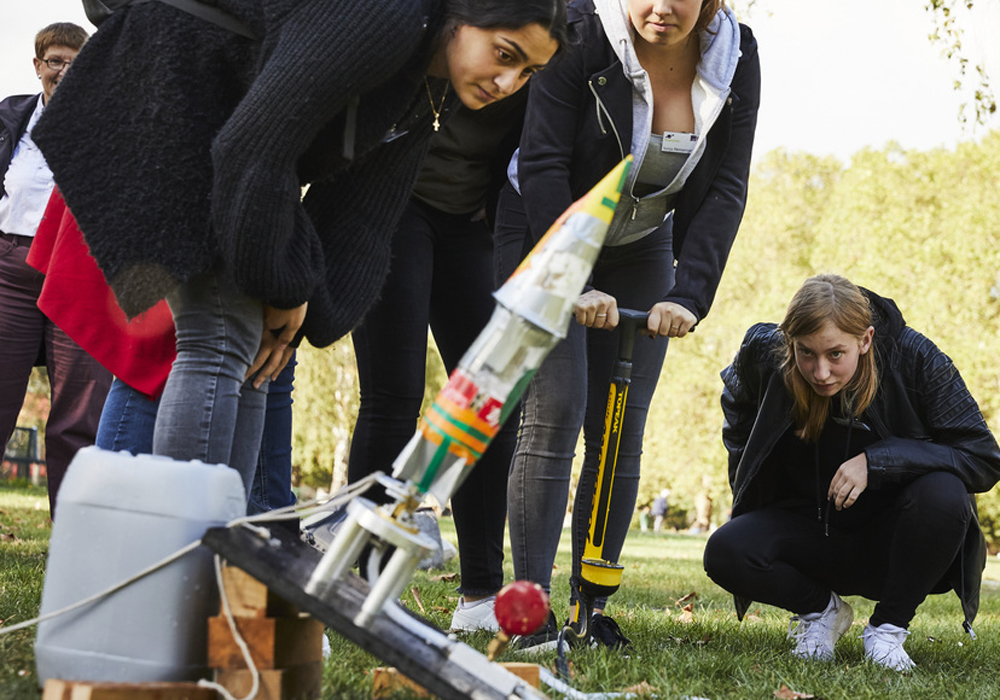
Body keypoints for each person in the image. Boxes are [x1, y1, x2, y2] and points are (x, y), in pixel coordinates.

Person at [32, 0, 565, 495]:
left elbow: (364, 213)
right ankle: (182, 557)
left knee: (260, 356)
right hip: (164, 90)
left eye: (528, 73)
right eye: (504, 54)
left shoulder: (431, 81)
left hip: (222, 129)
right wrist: (283, 283)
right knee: (220, 338)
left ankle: (219, 558)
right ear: (465, 11)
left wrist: (302, 312)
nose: (508, 82)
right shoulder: (390, 16)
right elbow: (255, 144)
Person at [495, 0, 760, 650]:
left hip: (641, 234)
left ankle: (592, 606)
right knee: (556, 406)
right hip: (545, 224)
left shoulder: (737, 55)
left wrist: (689, 292)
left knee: (621, 421)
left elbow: (727, 183)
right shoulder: (581, 33)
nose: (661, 6)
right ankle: (530, 615)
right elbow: (546, 159)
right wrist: (569, 279)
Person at [703, 274, 1000, 671]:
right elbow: (736, 404)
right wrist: (745, 479)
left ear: (865, 340)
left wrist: (878, 461)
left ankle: (887, 629)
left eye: (835, 355)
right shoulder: (764, 351)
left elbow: (982, 458)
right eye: (806, 353)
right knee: (725, 552)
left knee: (945, 492)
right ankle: (822, 612)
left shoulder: (914, 357)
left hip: (893, 541)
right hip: (808, 531)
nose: (820, 372)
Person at [347, 95, 528, 633]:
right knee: (394, 397)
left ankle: (479, 596)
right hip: (391, 201)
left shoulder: (559, 31)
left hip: (471, 218)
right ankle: (367, 587)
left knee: (488, 401)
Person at [0, 23, 112, 520]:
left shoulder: (106, 123)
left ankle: (74, 533)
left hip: (79, 276)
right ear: (38, 65)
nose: (63, 71)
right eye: (55, 61)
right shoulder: (9, 117)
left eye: (74, 62)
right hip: (11, 271)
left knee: (79, 416)